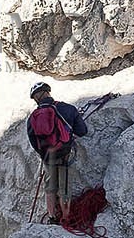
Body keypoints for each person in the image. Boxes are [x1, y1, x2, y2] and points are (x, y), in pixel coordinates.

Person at [26, 81, 89, 224]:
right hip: (66, 154)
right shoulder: (67, 109)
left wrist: (44, 154)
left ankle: (52, 217)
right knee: (64, 187)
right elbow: (83, 131)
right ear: (48, 92)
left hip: (48, 157)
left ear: (35, 98)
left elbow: (33, 140)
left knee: (50, 187)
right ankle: (66, 218)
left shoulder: (33, 118)